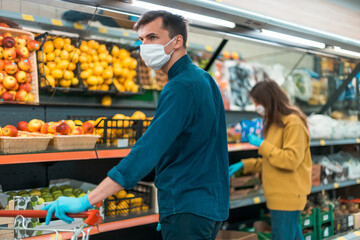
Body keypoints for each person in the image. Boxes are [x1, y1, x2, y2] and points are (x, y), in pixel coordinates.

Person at [43, 10, 229, 240]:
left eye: (152, 37)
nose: (145, 46)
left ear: (177, 41)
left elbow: (145, 153)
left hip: (187, 206)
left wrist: (86, 200)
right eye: (141, 40)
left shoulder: (180, 86)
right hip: (210, 206)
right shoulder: (204, 79)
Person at [229, 79, 311, 240]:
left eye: (257, 102)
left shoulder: (293, 123)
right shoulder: (274, 124)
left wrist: (262, 144)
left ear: (269, 101)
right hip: (277, 195)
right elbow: (272, 160)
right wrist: (244, 165)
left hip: (287, 196)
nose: (256, 107)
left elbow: (291, 160)